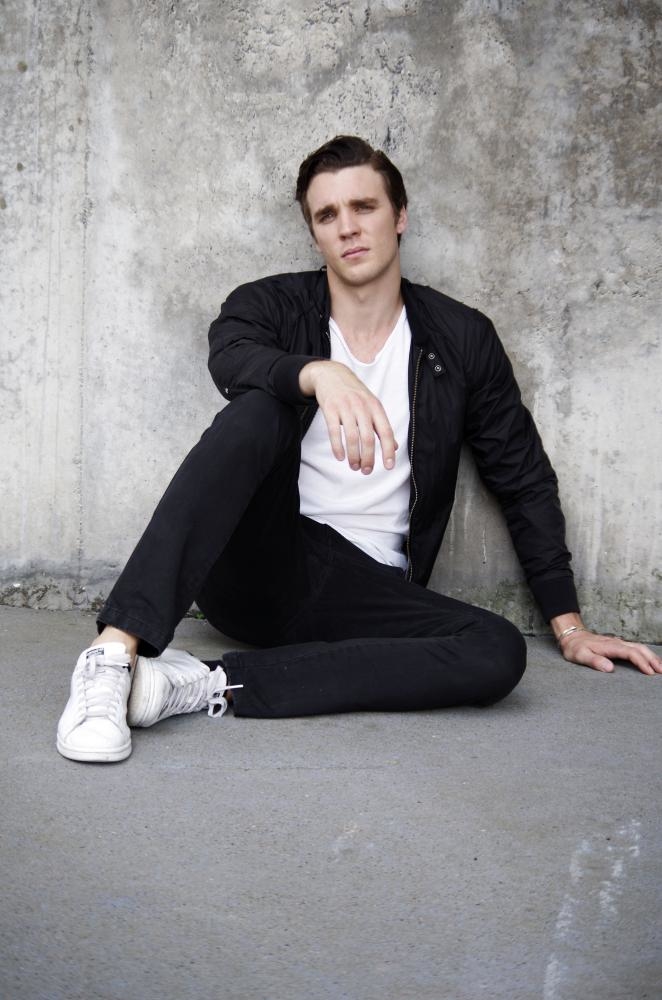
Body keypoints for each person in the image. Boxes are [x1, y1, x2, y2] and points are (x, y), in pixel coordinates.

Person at [56, 135, 662, 762]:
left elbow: (522, 477)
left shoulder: (461, 338)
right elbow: (231, 356)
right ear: (314, 234)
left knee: (497, 649)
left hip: (367, 589)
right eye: (327, 215)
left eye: (364, 207)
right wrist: (317, 373)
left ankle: (203, 684)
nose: (347, 227)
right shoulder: (270, 305)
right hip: (264, 563)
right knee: (259, 411)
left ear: (400, 216)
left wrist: (569, 625)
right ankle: (113, 655)